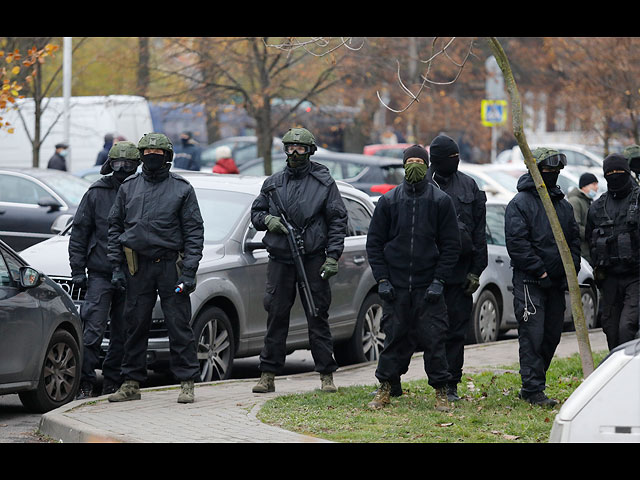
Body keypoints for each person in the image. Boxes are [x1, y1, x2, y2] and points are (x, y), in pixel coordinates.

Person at [106, 133, 204, 404]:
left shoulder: (182, 189)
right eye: (146, 152)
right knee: (134, 324)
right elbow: (115, 227)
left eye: (157, 153)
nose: (151, 156)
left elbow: (194, 232)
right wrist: (116, 266)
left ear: (167, 157)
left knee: (179, 324)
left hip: (170, 266)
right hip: (136, 266)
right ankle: (131, 383)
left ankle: (186, 382)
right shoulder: (128, 186)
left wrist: (189, 271)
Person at [250, 127, 348, 394]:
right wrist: (268, 220)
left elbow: (338, 220)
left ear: (310, 151)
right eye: (290, 148)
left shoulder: (324, 182)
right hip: (281, 259)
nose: (294, 153)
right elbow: (256, 212)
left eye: (300, 148)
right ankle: (268, 375)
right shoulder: (273, 183)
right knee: (276, 316)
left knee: (318, 316)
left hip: (313, 259)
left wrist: (332, 256)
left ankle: (326, 375)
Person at [366, 144, 461, 411]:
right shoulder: (389, 201)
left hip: (428, 287)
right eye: (411, 161)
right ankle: (385, 386)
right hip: (395, 287)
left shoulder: (441, 202)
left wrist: (439, 280)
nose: (415, 165)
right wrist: (382, 279)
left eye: (420, 160)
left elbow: (451, 245)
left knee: (435, 340)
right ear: (403, 165)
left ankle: (441, 390)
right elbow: (374, 243)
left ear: (427, 164)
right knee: (393, 338)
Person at [505, 147, 581, 407]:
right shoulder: (520, 204)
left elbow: (573, 241)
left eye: (556, 171)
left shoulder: (564, 206)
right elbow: (517, 243)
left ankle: (535, 381)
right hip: (530, 283)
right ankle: (532, 388)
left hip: (557, 284)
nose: (552, 175)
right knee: (532, 336)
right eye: (547, 170)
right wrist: (541, 271)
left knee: (551, 336)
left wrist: (571, 270)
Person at [69, 141, 141, 399]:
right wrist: (77, 269)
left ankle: (113, 382)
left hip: (133, 274)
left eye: (128, 164)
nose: (122, 169)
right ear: (109, 164)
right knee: (92, 333)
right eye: (118, 163)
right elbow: (79, 231)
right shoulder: (96, 192)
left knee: (124, 332)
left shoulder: (142, 190)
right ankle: (85, 383)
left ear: (137, 165)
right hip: (100, 273)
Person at [426, 135, 488, 402]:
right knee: (426, 331)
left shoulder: (469, 186)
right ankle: (406, 381)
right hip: (428, 272)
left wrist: (477, 270)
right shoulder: (423, 185)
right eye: (449, 158)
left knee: (456, 331)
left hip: (460, 273)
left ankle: (451, 382)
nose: (455, 161)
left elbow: (479, 232)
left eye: (456, 156)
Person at [585, 154, 640, 350]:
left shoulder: (638, 200)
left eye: (619, 172)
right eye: (610, 173)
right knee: (611, 330)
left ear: (627, 173)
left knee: (627, 327)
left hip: (635, 277)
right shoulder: (598, 206)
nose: (614, 176)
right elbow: (588, 240)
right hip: (609, 279)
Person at [567, 172, 599, 266]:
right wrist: (592, 234)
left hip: (588, 248)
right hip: (582, 250)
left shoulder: (587, 201)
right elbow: (575, 225)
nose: (596, 187)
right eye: (593, 184)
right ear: (584, 186)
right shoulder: (575, 201)